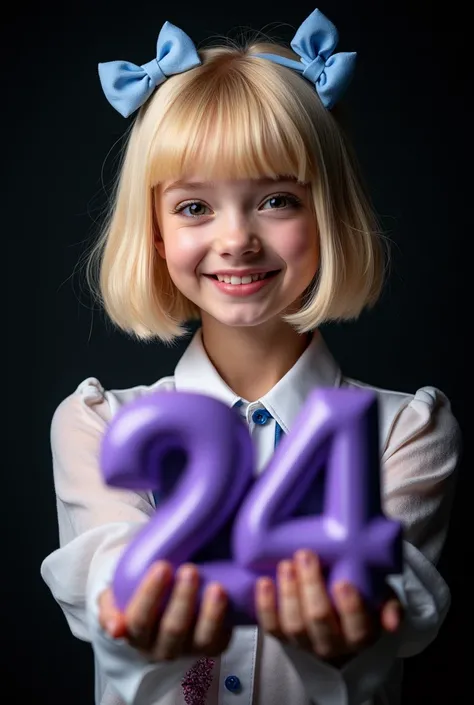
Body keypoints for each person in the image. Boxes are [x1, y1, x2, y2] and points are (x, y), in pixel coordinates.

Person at [41, 8, 461, 705]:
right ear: (152, 231)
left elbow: (398, 608)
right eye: (195, 208)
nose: (236, 240)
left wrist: (351, 614)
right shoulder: (95, 426)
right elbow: (108, 593)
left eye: (275, 199)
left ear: (327, 214)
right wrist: (142, 607)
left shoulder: (404, 432)